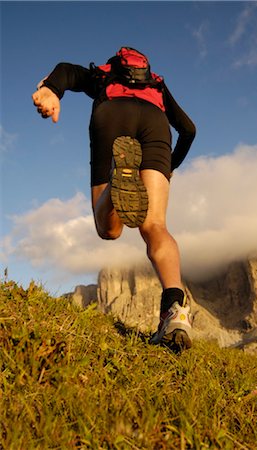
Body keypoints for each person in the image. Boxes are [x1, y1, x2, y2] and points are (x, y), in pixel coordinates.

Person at [32, 47, 196, 351]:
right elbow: (188, 130)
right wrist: (167, 168)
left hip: (112, 114)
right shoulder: (157, 86)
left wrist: (51, 90)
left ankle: (119, 178)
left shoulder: (104, 76)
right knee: (156, 226)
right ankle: (175, 311)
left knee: (108, 228)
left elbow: (67, 70)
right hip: (156, 125)